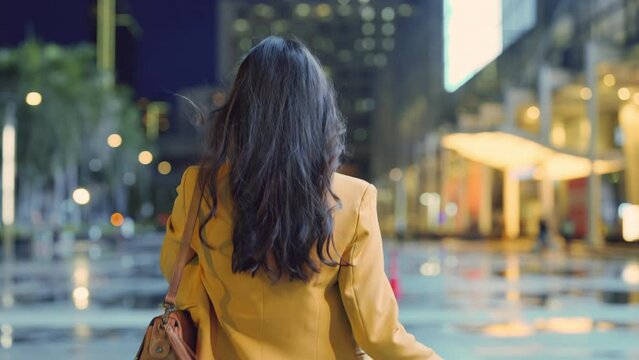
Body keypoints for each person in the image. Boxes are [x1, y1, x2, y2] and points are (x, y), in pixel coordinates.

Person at [160, 36, 441, 360]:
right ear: (317, 113)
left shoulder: (200, 188)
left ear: (240, 110)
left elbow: (176, 273)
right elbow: (376, 334)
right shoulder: (353, 198)